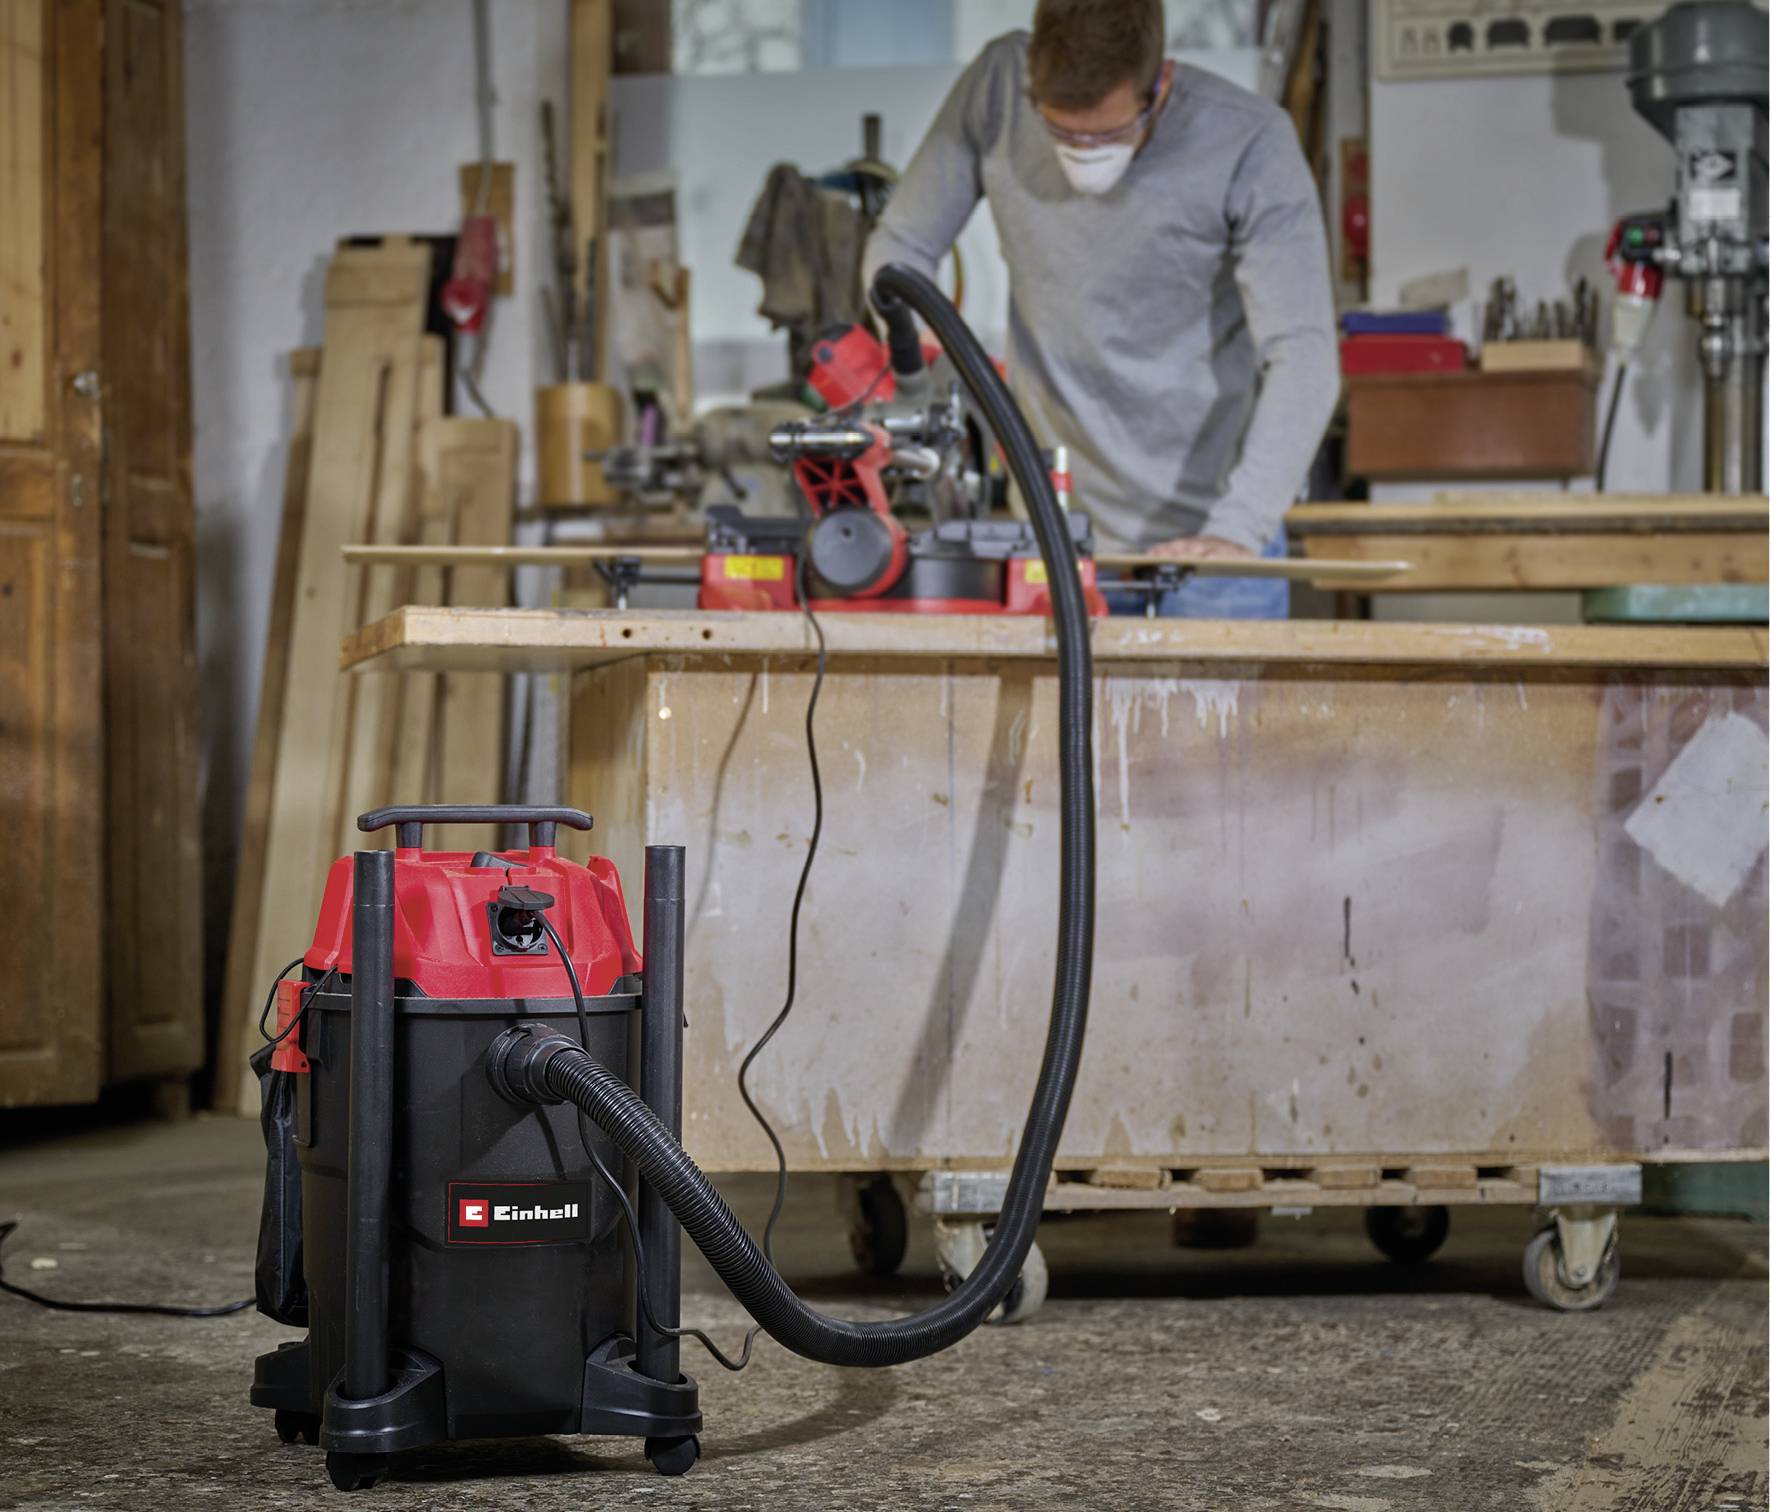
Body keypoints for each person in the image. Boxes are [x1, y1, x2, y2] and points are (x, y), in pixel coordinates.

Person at [862, 0, 1339, 618]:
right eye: (1060, 131)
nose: (1084, 152)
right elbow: (899, 250)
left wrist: (1238, 529)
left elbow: (1303, 355)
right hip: (1049, 538)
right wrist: (918, 369)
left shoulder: (1250, 140)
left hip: (1215, 551)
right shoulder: (999, 90)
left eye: (1110, 134)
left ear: (1160, 84)